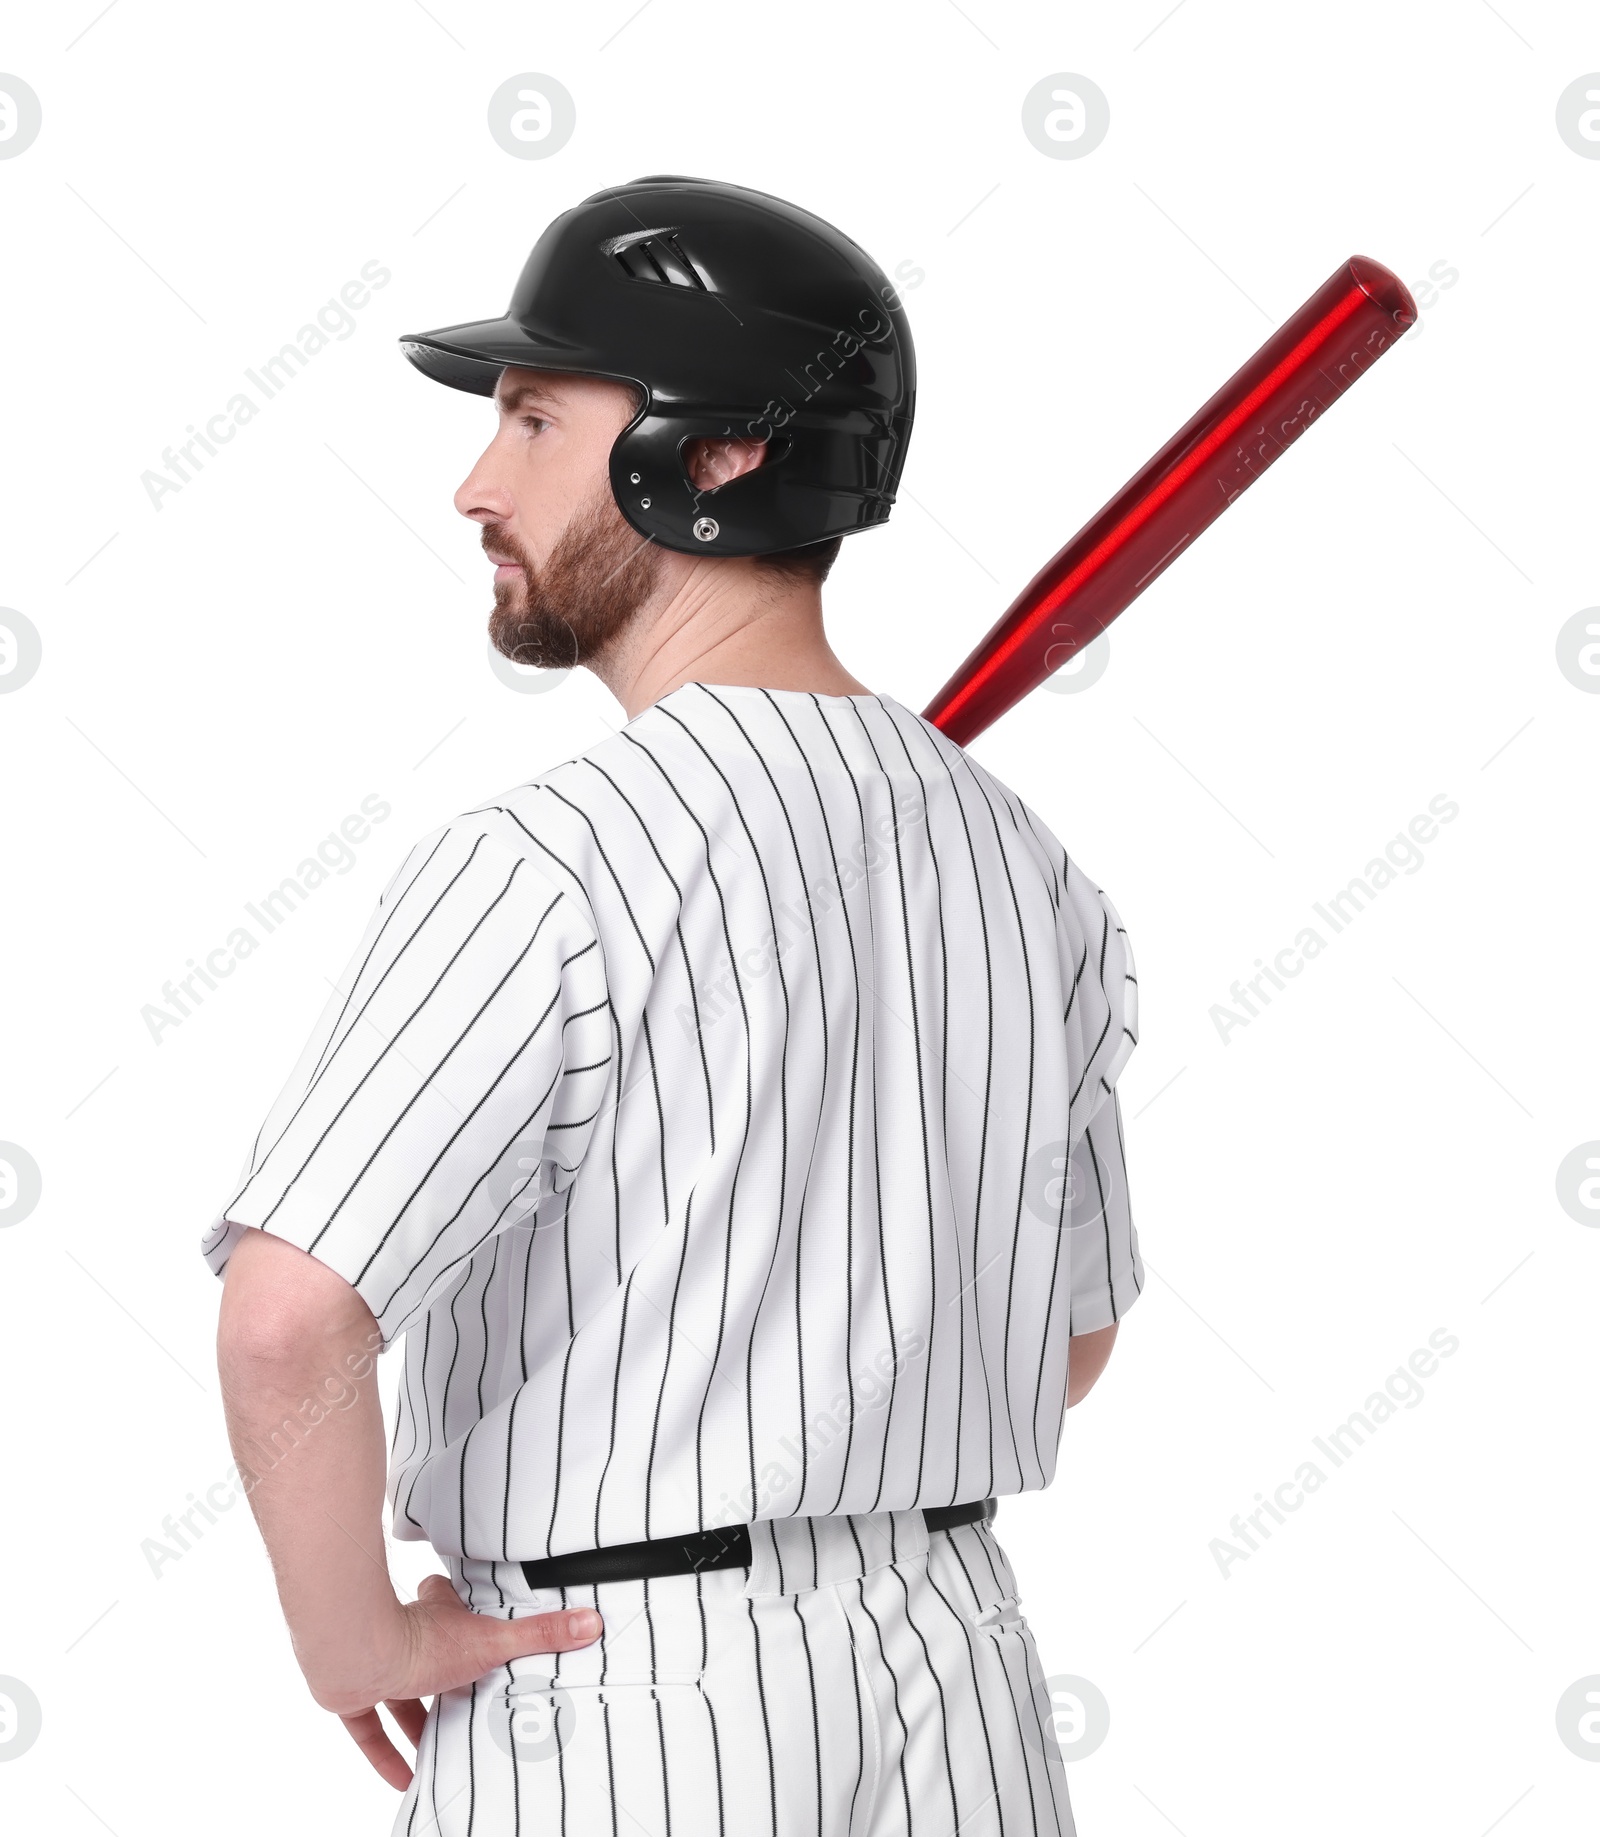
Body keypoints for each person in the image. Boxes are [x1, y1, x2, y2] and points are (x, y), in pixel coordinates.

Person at [205, 175, 1142, 1837]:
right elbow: (1070, 1342)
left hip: (627, 1700)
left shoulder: (537, 865)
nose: (478, 483)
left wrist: (352, 1641)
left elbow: (291, 1313)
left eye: (537, 420)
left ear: (713, 455)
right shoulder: (1028, 865)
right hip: (967, 1680)